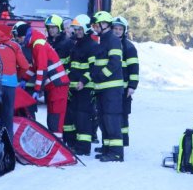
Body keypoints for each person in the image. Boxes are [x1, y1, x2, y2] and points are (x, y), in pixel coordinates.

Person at [15, 23, 70, 138]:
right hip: (54, 86)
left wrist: (37, 90)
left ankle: (57, 147)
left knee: (55, 118)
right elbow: (34, 67)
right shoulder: (36, 43)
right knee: (52, 117)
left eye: (19, 38)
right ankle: (55, 144)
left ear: (25, 35)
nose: (19, 40)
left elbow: (41, 69)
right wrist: (24, 79)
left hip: (57, 86)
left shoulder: (38, 45)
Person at [91, 11, 125, 162]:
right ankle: (107, 149)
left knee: (111, 120)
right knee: (104, 120)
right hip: (101, 88)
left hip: (111, 89)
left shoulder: (113, 40)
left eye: (97, 24)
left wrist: (100, 75)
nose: (95, 27)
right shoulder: (103, 40)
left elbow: (115, 63)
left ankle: (116, 153)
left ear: (105, 24)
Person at [63, 15, 99, 155]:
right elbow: (71, 65)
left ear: (86, 29)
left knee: (83, 117)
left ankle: (83, 148)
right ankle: (72, 144)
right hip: (73, 87)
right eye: (76, 29)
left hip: (85, 87)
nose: (77, 31)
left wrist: (83, 81)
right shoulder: (76, 45)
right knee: (73, 117)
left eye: (79, 29)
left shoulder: (92, 46)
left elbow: (93, 68)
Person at [113, 16, 139, 148]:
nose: (117, 31)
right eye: (115, 28)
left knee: (123, 115)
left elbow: (134, 69)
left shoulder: (129, 47)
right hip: (111, 88)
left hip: (124, 88)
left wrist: (132, 86)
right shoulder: (108, 44)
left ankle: (124, 141)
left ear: (124, 31)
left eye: (120, 29)